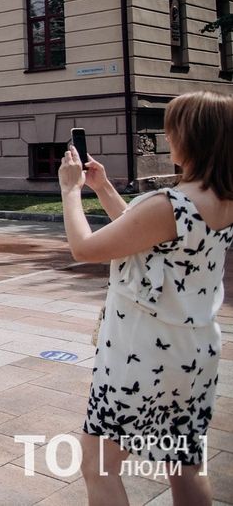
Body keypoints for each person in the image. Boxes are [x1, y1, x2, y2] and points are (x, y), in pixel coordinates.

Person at [60, 91, 232, 506]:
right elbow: (147, 239)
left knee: (98, 462)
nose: (166, 138)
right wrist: (102, 189)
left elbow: (85, 248)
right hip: (194, 352)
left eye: (171, 129)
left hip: (143, 353)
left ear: (191, 138)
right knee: (185, 462)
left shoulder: (168, 203)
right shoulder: (222, 199)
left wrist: (71, 190)